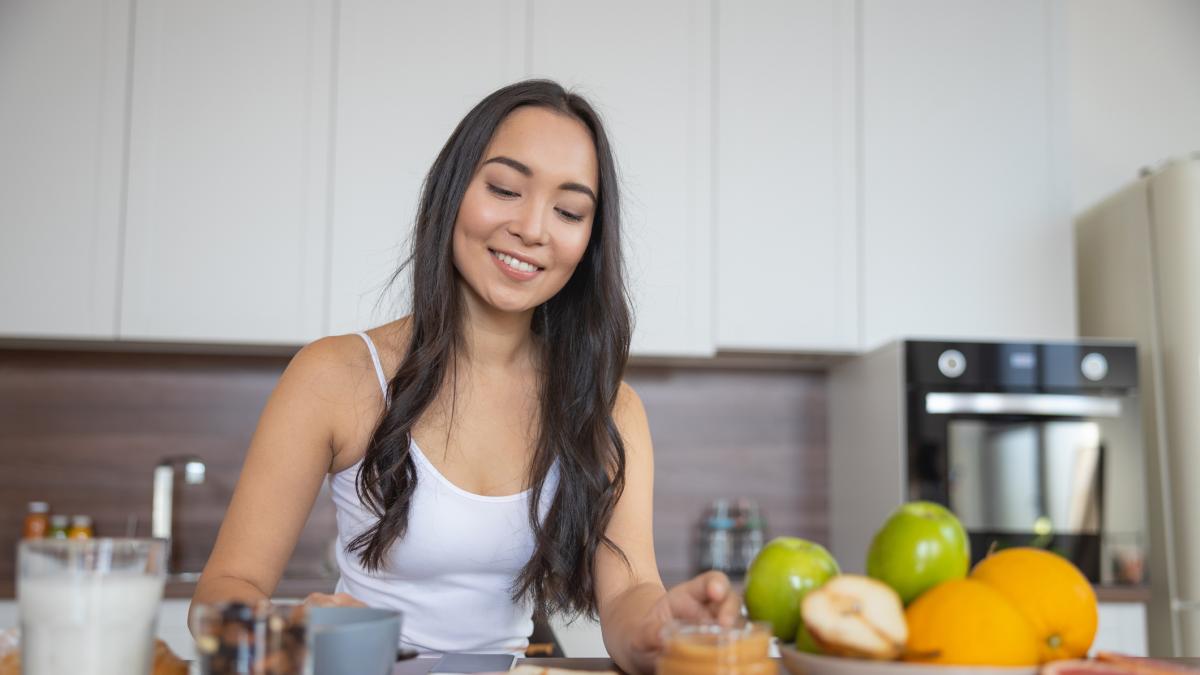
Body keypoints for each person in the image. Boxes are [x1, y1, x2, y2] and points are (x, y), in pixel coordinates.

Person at [190, 79, 740, 674]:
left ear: (589, 240)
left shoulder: (607, 408)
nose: (533, 228)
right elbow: (222, 591)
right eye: (505, 189)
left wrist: (664, 628)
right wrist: (284, 638)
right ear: (453, 192)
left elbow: (630, 599)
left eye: (569, 210)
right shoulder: (336, 376)